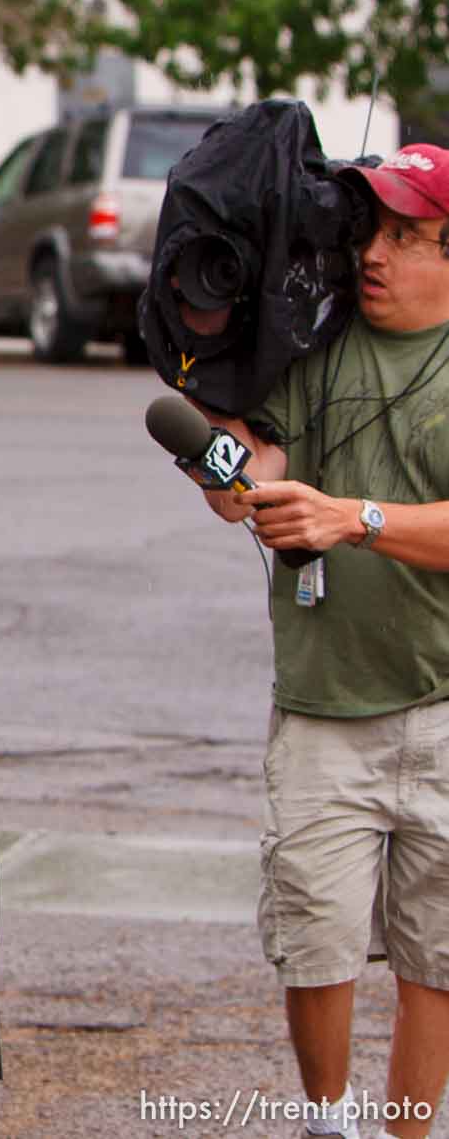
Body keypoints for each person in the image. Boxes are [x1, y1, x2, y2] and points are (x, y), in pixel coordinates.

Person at [197, 144, 449, 1139]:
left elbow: (366, 517)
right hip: (321, 710)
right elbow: (257, 467)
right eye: (366, 233)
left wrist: (358, 520)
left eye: (400, 236)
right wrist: (222, 464)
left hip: (442, 706)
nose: (371, 254)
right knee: (316, 941)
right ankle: (329, 1122)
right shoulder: (320, 348)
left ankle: (412, 1131)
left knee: (436, 953)